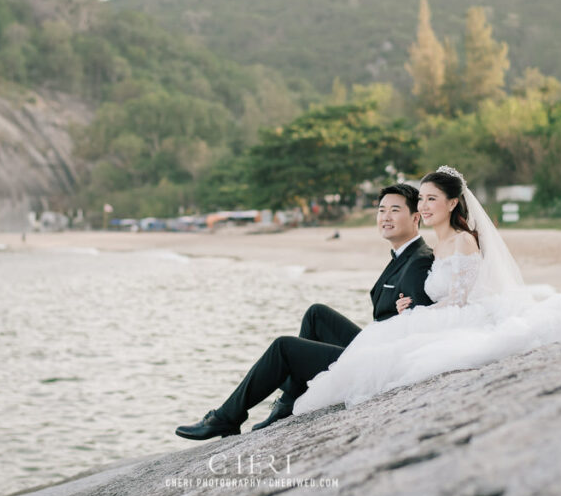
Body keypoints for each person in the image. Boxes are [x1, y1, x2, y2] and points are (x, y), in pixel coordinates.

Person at [292, 166, 561, 414]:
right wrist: (411, 303)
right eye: (423, 200)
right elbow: (438, 291)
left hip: (470, 314)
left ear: (451, 203)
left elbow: (461, 299)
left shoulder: (465, 241)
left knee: (399, 354)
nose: (424, 206)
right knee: (386, 341)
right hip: (446, 310)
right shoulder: (439, 246)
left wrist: (426, 311)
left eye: (431, 200)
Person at [175, 183, 435, 440]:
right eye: (381, 210)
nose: (385, 217)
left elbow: (421, 320)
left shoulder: (418, 261)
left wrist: (409, 312)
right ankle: (289, 401)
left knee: (284, 347)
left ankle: (226, 418)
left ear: (415, 217)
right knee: (317, 314)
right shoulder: (404, 256)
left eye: (394, 210)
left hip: (381, 361)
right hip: (376, 344)